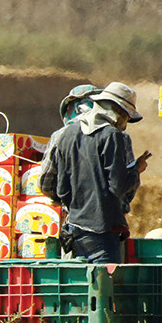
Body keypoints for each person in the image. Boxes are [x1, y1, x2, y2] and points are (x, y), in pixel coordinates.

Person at [42, 81, 149, 264]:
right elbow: (118, 186)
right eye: (126, 117)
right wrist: (136, 171)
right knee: (103, 287)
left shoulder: (66, 135)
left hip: (74, 229)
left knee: (79, 288)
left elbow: (60, 189)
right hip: (104, 232)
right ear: (118, 112)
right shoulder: (112, 136)